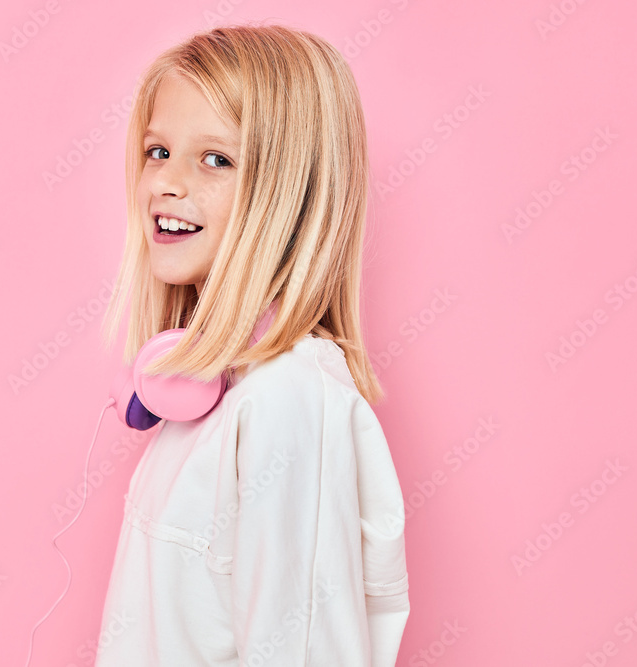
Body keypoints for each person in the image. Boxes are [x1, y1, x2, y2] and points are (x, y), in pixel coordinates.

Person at [94, 22, 410, 666]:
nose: (165, 183)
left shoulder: (287, 398)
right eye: (158, 151)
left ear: (291, 194)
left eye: (216, 159)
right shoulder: (204, 390)